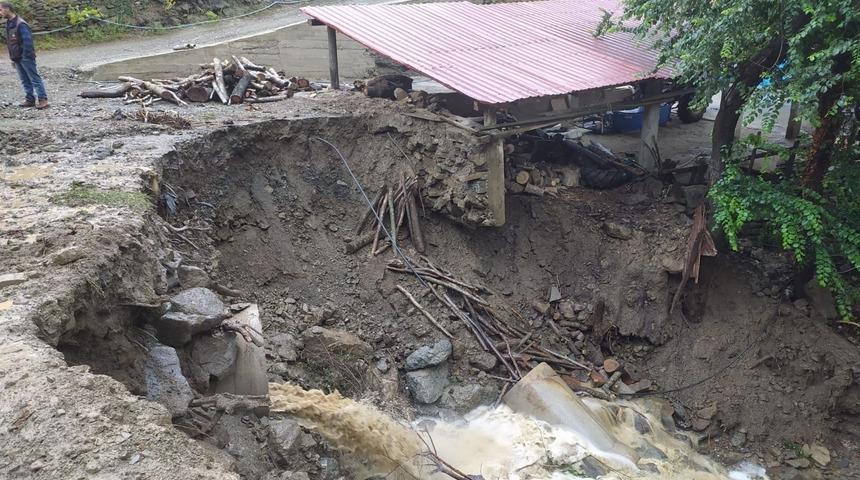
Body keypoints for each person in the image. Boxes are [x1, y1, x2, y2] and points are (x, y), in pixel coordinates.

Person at [1, 2, 48, 109]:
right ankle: (30, 100)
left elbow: (28, 42)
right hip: (16, 57)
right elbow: (11, 42)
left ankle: (43, 100)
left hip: (25, 57)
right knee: (24, 80)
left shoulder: (21, 24)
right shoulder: (9, 23)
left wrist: (25, 57)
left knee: (35, 79)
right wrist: (13, 58)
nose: (0, 13)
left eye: (0, 10)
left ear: (7, 9)